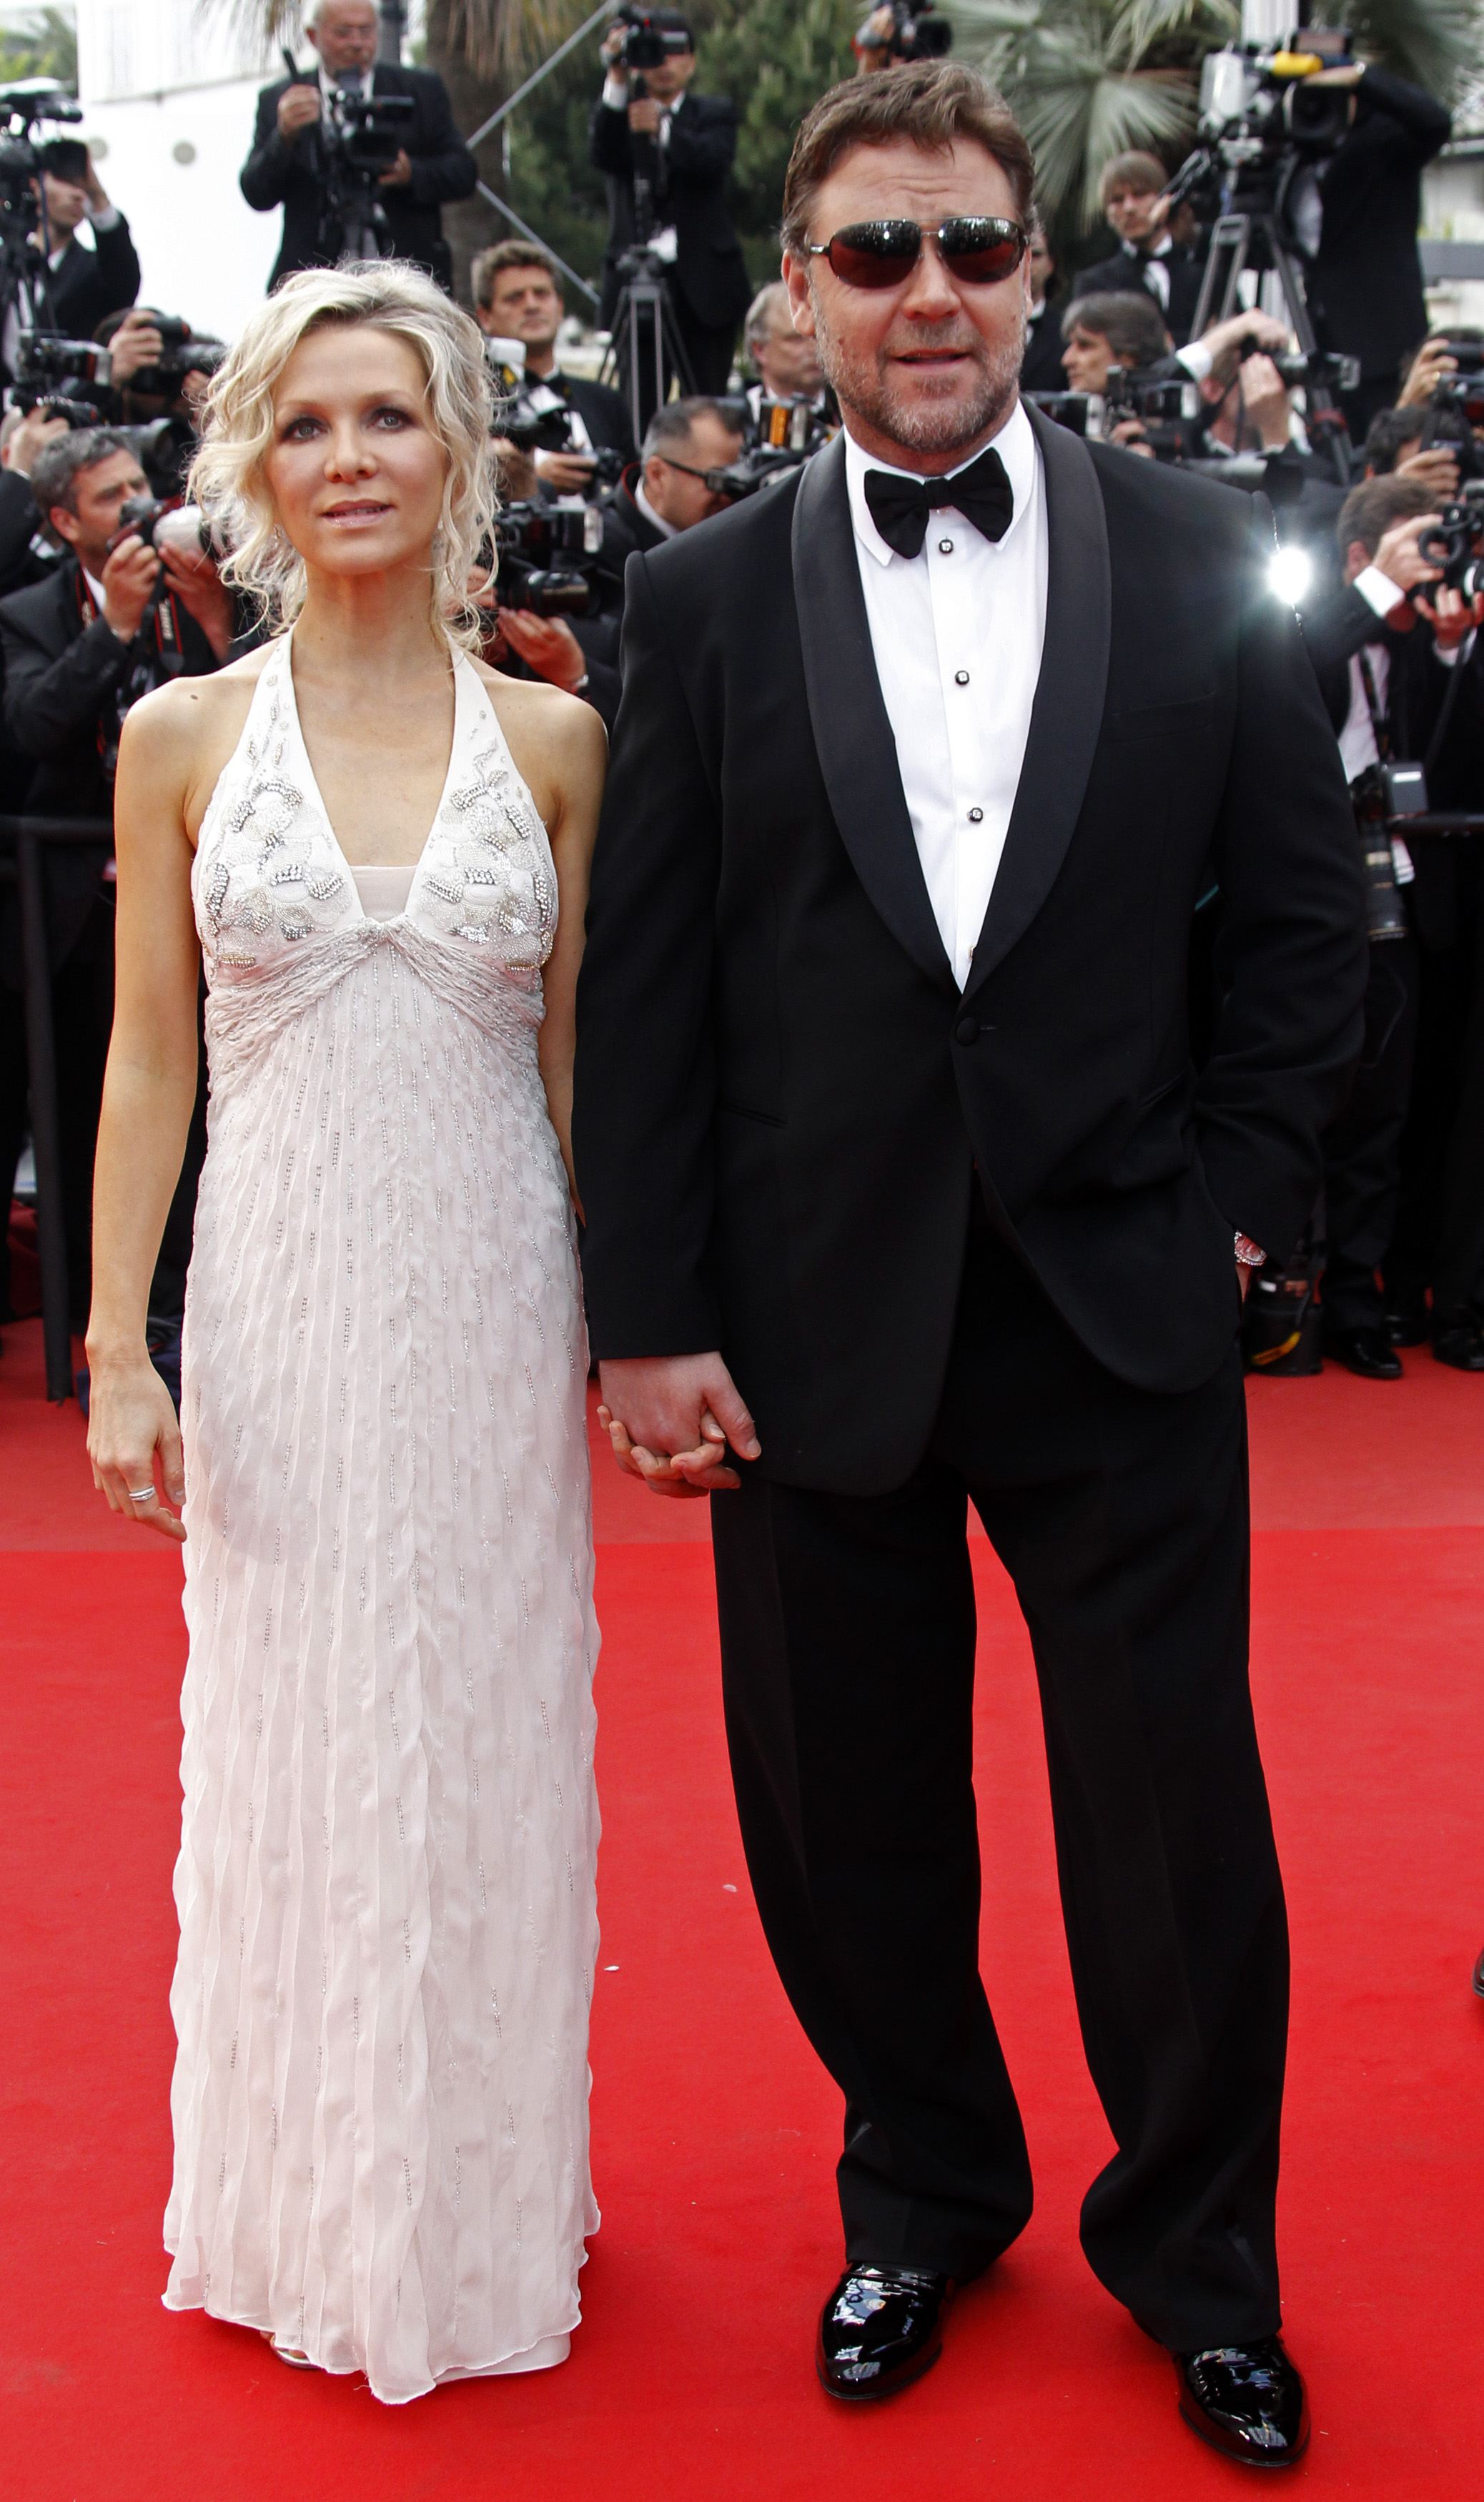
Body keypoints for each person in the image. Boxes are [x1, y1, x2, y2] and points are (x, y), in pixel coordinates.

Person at [574, 61, 1366, 2470]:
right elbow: (652, 983)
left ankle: (1200, 2260)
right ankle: (920, 2194)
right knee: (847, 1814)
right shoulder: (699, 596)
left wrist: (1236, 1202)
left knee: (1171, 1817)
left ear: (1035, 270)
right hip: (809, 1310)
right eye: (873, 252)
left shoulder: (1197, 546)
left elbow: (1301, 927)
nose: (926, 292)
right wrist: (648, 1313)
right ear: (797, 290)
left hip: (1117, 1292)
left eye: (971, 247)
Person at [81, 261, 605, 2401]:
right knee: (294, 1732)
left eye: (387, 416)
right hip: (279, 1298)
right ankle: (300, 2201)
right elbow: (146, 1060)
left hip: (490, 1296)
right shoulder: (179, 737)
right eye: (305, 424)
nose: (349, 458)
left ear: (457, 448)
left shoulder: (555, 741)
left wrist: (639, 1330)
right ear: (254, 463)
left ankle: (474, 2202)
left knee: (484, 1731)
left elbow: (576, 1076)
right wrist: (118, 1341)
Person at [0, 430, 232, 1328]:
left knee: (202, 1110)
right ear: (64, 522)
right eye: (110, 496)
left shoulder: (202, 586)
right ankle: (97, 1316)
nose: (137, 507)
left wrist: (215, 623)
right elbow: (33, 727)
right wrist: (115, 629)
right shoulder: (29, 613)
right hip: (76, 913)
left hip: (202, 904)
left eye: (140, 485)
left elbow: (257, 718)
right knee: (84, 1110)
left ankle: (190, 1308)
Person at [239, 0, 476, 293]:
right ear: (313, 36)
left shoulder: (419, 89)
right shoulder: (282, 98)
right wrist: (284, 136)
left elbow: (464, 173)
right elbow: (256, 193)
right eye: (343, 33)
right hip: (314, 278)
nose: (356, 43)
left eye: (366, 32)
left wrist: (410, 173)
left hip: (408, 273)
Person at [590, 11, 751, 410]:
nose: (664, 62)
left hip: (704, 285)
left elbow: (713, 160)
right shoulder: (621, 113)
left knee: (707, 406)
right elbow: (603, 154)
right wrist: (617, 76)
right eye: (655, 50)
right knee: (639, 404)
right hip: (636, 277)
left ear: (692, 61)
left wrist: (662, 129)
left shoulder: (713, 112)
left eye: (676, 50)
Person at [1298, 58, 1452, 438]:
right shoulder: (1296, 147)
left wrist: (1362, 77)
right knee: (1333, 452)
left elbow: (1436, 123)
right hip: (1323, 345)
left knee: (1389, 446)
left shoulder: (1385, 139)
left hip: (1383, 344)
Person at [472, 239, 638, 488]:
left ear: (560, 307)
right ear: (485, 316)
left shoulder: (606, 402)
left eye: (541, 294)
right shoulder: (473, 402)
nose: (531, 305)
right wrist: (532, 481)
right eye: (515, 298)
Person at [589, 395, 743, 611]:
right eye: (716, 480)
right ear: (657, 475)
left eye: (738, 480)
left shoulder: (738, 534)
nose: (729, 496)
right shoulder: (595, 543)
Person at [1, 137, 139, 372]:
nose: (78, 194)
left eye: (83, 186)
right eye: (66, 182)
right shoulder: (8, 263)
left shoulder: (93, 271)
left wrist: (99, 199)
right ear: (35, 184)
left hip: (68, 391)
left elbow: (125, 283)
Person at [1070, 151, 1204, 347]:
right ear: (1107, 213)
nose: (1129, 208)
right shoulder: (1094, 285)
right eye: (1117, 200)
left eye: (1140, 194)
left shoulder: (1205, 272)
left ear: (1164, 199)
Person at [742, 280, 828, 413]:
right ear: (760, 350)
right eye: (798, 339)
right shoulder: (729, 419)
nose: (815, 348)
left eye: (818, 337)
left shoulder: (853, 415)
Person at [1017, 213, 1065, 393]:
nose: (1027, 263)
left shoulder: (1065, 332)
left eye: (1036, 255)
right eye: (1019, 253)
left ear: (1051, 264)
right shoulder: (983, 325)